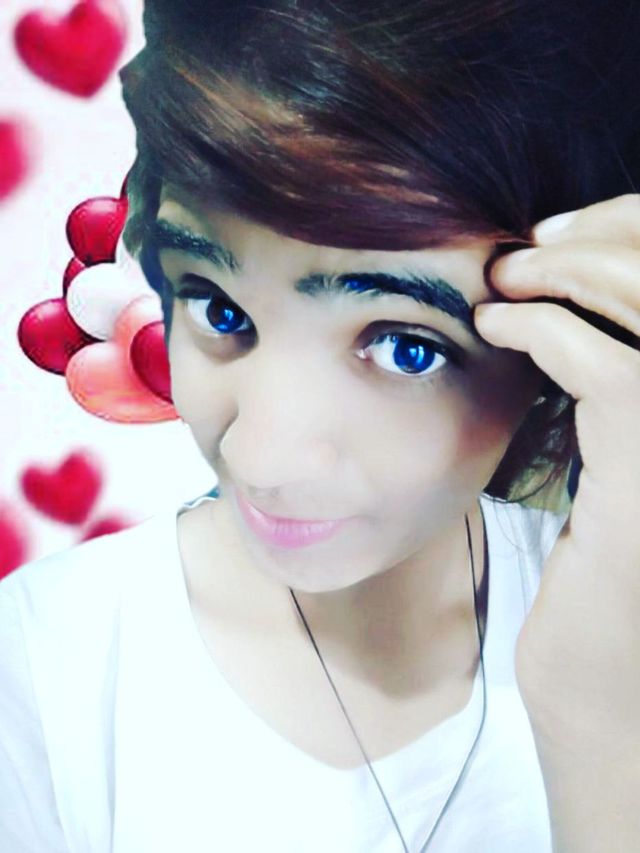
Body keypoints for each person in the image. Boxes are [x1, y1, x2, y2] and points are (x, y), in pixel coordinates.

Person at [2, 2, 640, 851]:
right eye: (218, 307)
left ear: (564, 348)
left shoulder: (617, 626)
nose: (259, 456)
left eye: (406, 347)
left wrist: (600, 738)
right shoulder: (44, 665)